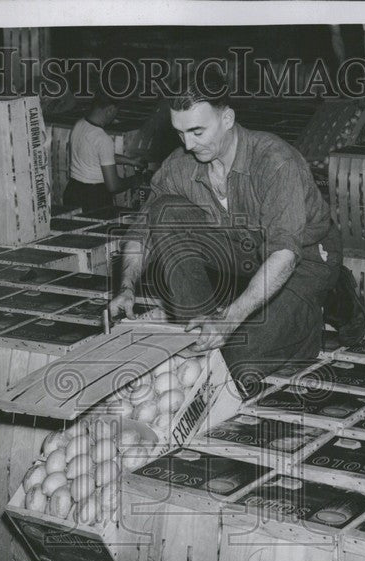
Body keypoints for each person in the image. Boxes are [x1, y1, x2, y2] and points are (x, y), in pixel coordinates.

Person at [108, 70, 351, 396]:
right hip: (245, 251)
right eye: (180, 133)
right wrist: (125, 287)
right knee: (164, 210)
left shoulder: (274, 161)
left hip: (302, 258)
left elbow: (284, 253)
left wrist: (230, 319)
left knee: (234, 363)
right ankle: (197, 328)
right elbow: (143, 228)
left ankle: (317, 311)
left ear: (227, 118)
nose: (188, 144)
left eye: (197, 131)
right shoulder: (182, 163)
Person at [62, 91, 147, 212]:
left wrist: (130, 161)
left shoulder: (80, 124)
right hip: (94, 198)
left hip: (72, 192)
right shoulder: (102, 138)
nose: (115, 117)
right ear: (110, 110)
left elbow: (97, 155)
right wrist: (135, 180)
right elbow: (113, 186)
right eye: (116, 112)